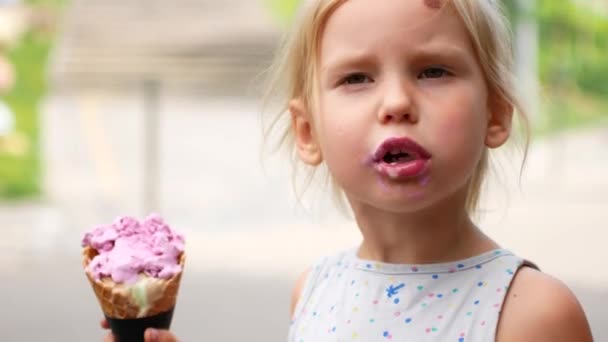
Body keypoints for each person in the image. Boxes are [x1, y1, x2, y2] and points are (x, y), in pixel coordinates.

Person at [101, 0, 593, 340]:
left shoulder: (532, 315)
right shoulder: (314, 291)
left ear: (496, 113)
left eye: (433, 71)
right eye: (357, 78)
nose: (397, 102)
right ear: (308, 131)